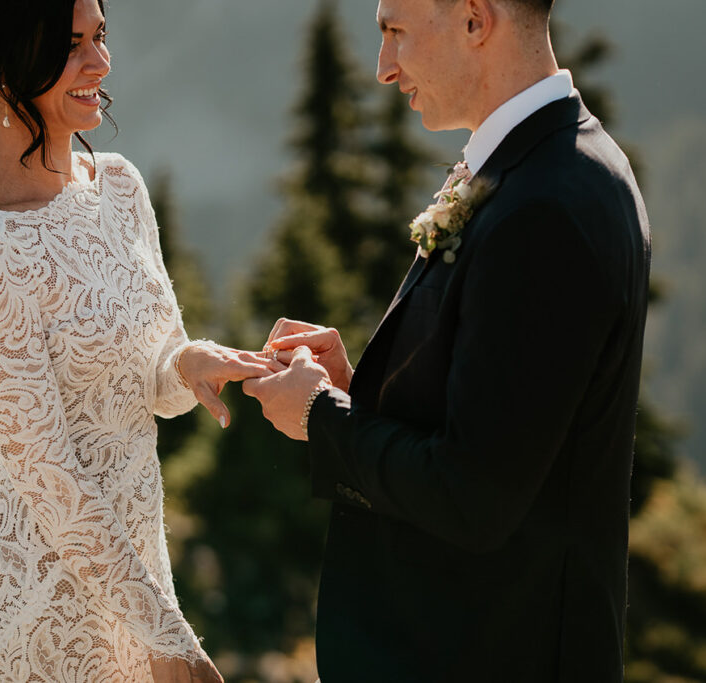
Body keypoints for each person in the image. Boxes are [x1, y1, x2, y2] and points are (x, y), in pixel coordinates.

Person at [0, 1, 274, 680]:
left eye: (100, 36)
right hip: (30, 629)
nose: (100, 62)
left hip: (137, 598)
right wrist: (169, 638)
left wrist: (186, 362)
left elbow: (153, 379)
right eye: (71, 44)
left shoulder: (119, 188)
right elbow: (51, 477)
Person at [243, 0, 651, 679]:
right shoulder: (541, 167)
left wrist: (322, 418)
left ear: (473, 17)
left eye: (394, 30)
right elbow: (495, 419)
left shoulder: (547, 203)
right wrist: (362, 388)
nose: (382, 68)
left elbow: (474, 494)